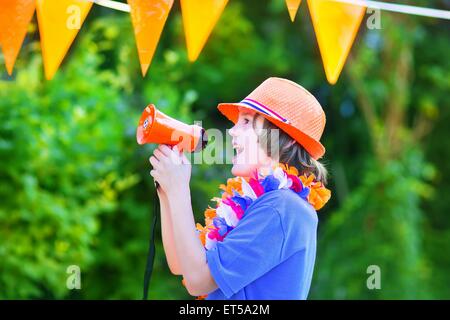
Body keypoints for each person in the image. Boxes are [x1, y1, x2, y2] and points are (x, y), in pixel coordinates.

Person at [149, 77, 331, 300]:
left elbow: (198, 282)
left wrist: (179, 189)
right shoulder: (262, 203)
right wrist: (167, 190)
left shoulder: (282, 207)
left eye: (246, 122)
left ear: (287, 138)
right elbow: (180, 263)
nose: (233, 131)